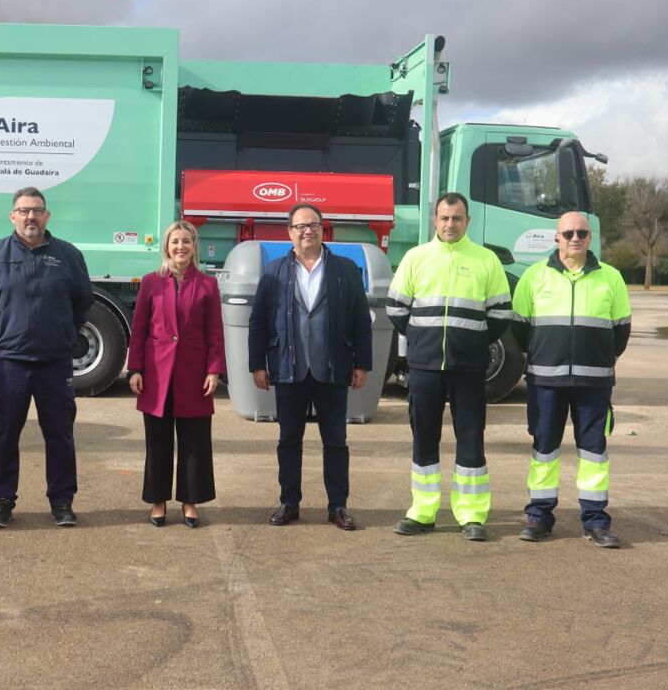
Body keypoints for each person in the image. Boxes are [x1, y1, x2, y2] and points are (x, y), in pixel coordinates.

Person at [386, 193, 511, 541]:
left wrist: (473, 343)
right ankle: (423, 512)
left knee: (470, 438)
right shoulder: (416, 258)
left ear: (467, 221)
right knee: (424, 437)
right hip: (424, 367)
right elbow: (396, 307)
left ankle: (471, 515)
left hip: (469, 367)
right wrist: (420, 337)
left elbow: (501, 314)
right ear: (435, 221)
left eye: (457, 218)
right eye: (444, 218)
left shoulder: (486, 260)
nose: (450, 224)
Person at [0, 186, 93, 528]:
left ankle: (62, 502)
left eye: (36, 210)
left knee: (60, 434)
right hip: (9, 363)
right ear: (12, 216)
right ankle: (1, 503)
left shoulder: (67, 255)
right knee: (5, 433)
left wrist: (67, 333)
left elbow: (83, 301)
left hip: (55, 364)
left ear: (47, 215)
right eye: (23, 211)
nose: (30, 216)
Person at [248, 204, 373, 530]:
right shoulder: (274, 272)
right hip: (289, 370)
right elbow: (258, 322)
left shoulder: (346, 270)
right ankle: (289, 503)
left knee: (335, 441)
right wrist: (257, 365)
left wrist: (363, 363)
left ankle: (338, 506)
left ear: (322, 229)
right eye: (300, 226)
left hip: (332, 369)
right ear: (289, 232)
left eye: (313, 225)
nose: (307, 231)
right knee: (289, 439)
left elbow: (361, 320)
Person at [511, 211, 631, 548]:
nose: (575, 238)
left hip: (594, 383)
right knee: (544, 449)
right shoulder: (534, 277)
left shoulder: (612, 278)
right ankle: (539, 516)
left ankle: (595, 521)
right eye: (568, 233)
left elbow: (621, 331)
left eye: (581, 232)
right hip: (545, 382)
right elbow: (521, 330)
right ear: (556, 238)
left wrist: (601, 361)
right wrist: (543, 357)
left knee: (594, 452)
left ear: (590, 237)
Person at [127, 221, 225, 528]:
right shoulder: (150, 282)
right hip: (156, 375)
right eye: (174, 242)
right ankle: (158, 501)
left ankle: (189, 501)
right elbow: (139, 329)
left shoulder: (208, 285)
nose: (180, 247)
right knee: (157, 441)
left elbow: (215, 333)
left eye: (186, 241)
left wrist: (214, 370)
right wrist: (135, 368)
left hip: (194, 375)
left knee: (194, 441)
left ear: (194, 246)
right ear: (166, 247)